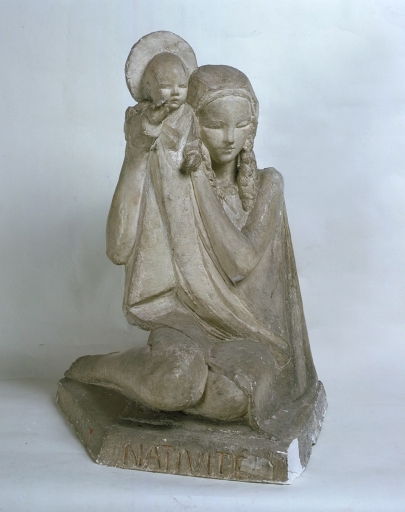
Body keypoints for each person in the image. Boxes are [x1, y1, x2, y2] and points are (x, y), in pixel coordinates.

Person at [66, 64, 318, 433]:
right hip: (184, 321)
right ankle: (101, 367)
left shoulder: (268, 185)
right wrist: (137, 152)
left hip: (249, 336)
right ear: (193, 123)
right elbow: (118, 250)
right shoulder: (170, 180)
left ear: (253, 127)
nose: (230, 138)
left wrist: (198, 178)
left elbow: (239, 262)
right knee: (174, 383)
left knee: (231, 396)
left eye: (242, 125)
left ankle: (168, 386)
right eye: (215, 125)